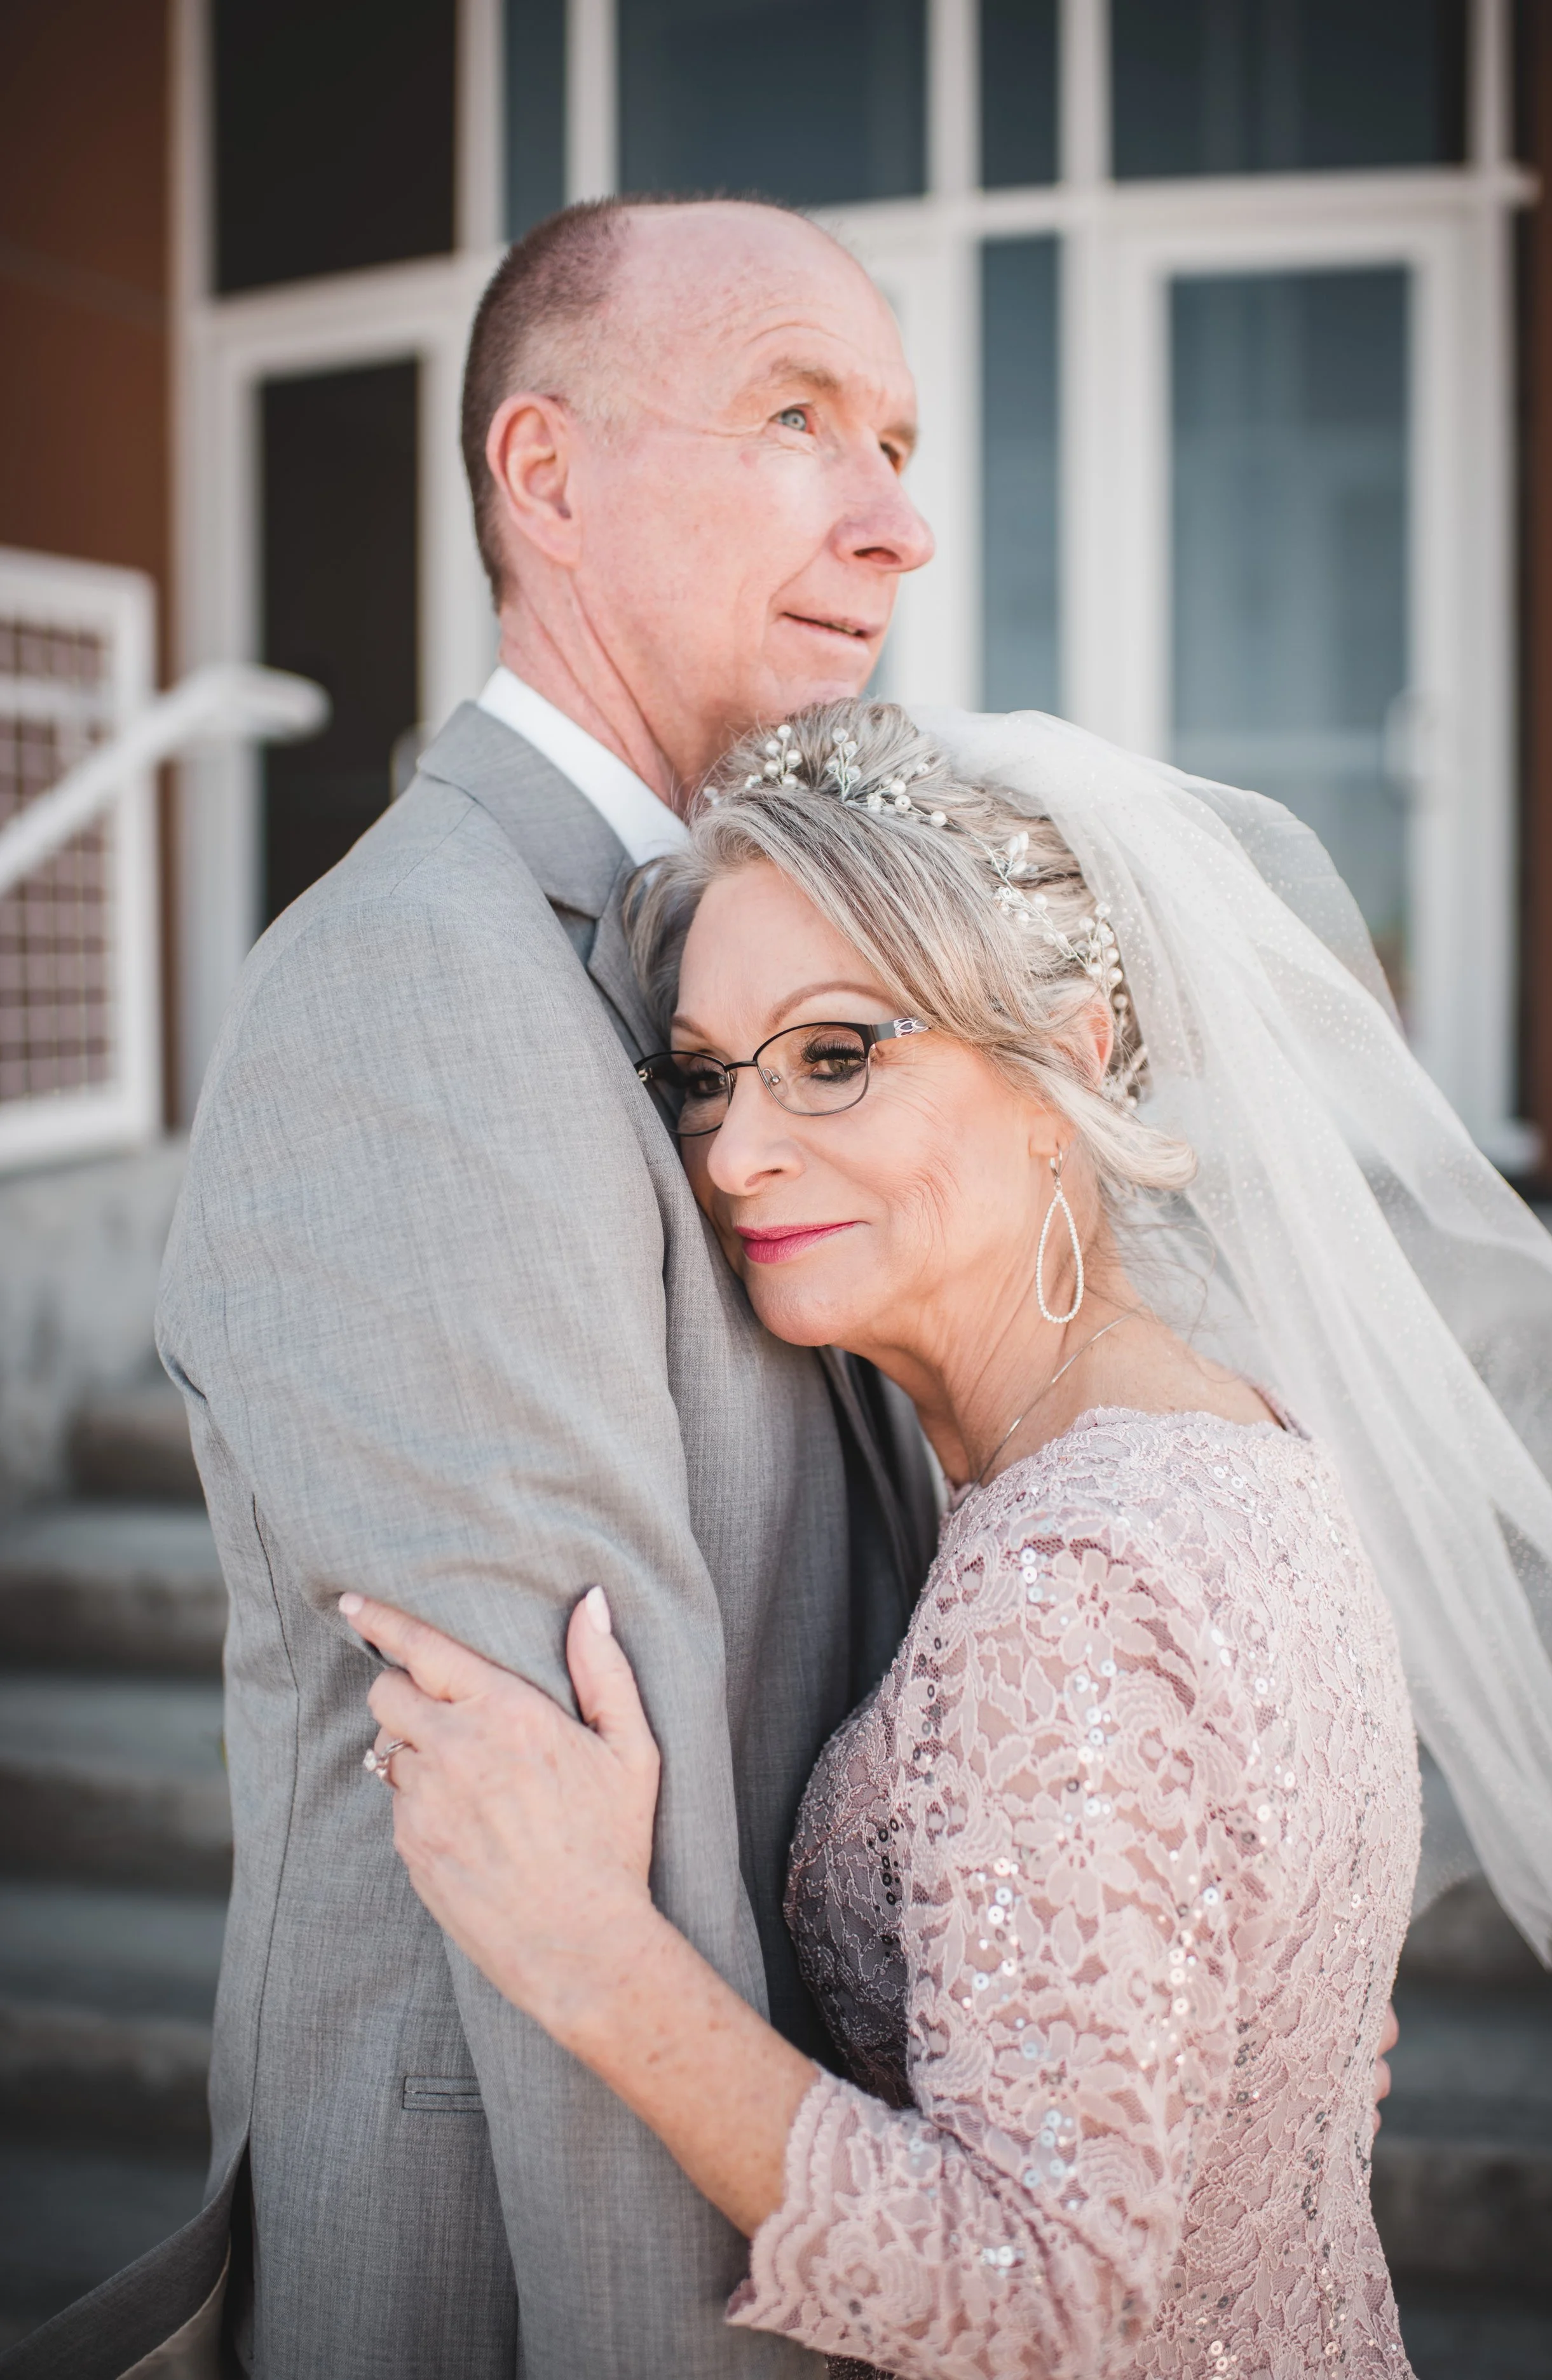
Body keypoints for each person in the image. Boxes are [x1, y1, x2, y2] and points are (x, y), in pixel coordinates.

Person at [337, 698, 1552, 2377]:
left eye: (834, 1053)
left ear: (1063, 1066)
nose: (734, 1150)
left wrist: (583, 1945)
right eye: (703, 1076)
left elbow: (1031, 2285)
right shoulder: (1221, 1436)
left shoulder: (1075, 1582)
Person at [3, 203, 938, 2380]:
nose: (894, 522)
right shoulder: (411, 992)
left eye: (898, 438)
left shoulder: (733, 944)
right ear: (545, 475)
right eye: (800, 416)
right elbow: (566, 1887)